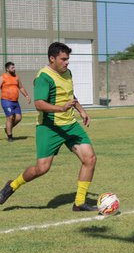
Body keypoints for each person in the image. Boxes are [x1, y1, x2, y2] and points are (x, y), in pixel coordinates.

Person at [0, 42, 97, 211]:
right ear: (52, 59)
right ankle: (13, 185)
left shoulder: (68, 73)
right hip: (49, 127)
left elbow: (69, 94)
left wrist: (81, 110)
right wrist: (61, 108)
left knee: (90, 159)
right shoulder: (44, 77)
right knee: (42, 168)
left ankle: (79, 203)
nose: (67, 62)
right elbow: (39, 104)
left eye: (68, 59)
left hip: (70, 125)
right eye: (63, 59)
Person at [0, 62, 31, 142]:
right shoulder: (3, 77)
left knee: (18, 118)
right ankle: (10, 137)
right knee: (10, 117)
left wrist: (27, 96)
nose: (14, 69)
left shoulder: (16, 77)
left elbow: (21, 88)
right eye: (12, 68)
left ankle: (7, 128)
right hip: (6, 100)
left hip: (15, 101)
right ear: (7, 69)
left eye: (14, 67)